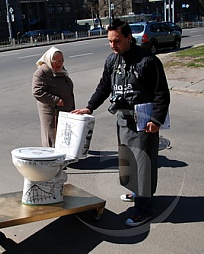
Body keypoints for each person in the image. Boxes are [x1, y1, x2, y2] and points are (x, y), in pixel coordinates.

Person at [71, 19, 170, 227]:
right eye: (109, 41)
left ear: (128, 38)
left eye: (116, 41)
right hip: (123, 119)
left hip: (143, 120)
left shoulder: (148, 61)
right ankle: (138, 193)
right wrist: (90, 107)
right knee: (129, 161)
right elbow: (104, 87)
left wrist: (156, 119)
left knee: (143, 163)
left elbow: (162, 93)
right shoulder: (112, 61)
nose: (112, 45)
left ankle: (144, 210)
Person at [32, 46, 75, 147]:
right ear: (49, 60)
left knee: (64, 134)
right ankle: (51, 157)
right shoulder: (42, 73)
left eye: (61, 61)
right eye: (56, 61)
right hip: (52, 111)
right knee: (52, 135)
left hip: (65, 109)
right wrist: (55, 100)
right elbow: (37, 92)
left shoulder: (61, 70)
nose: (60, 64)